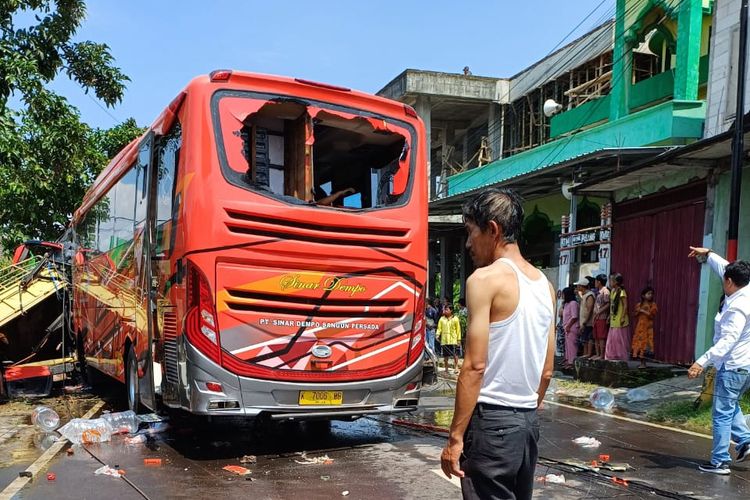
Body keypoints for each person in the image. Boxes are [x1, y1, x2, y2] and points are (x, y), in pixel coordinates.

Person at [440, 188, 555, 500]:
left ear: (493, 229)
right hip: (527, 425)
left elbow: (475, 366)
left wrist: (455, 438)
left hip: (491, 424)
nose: (467, 243)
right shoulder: (545, 286)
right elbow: (546, 371)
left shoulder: (484, 280)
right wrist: (526, 408)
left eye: (470, 232)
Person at [687, 246, 750, 475]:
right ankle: (745, 441)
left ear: (730, 282)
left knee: (722, 413)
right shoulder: (745, 287)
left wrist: (701, 362)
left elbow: (727, 342)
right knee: (729, 405)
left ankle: (719, 462)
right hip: (745, 367)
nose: (723, 281)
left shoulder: (738, 308)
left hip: (733, 366)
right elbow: (725, 267)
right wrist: (709, 253)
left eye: (725, 280)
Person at [605, 273, 630, 361]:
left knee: (619, 339)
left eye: (611, 280)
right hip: (613, 318)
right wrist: (609, 316)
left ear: (615, 282)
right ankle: (612, 356)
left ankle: (620, 357)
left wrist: (623, 317)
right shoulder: (612, 291)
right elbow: (612, 305)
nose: (610, 282)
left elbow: (625, 306)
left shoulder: (622, 292)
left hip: (620, 318)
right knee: (612, 339)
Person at [631, 287, 657, 369]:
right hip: (640, 328)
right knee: (639, 344)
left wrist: (643, 311)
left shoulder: (653, 305)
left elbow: (652, 315)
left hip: (648, 329)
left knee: (646, 345)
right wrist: (639, 311)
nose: (650, 295)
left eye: (651, 294)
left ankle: (644, 363)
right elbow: (635, 314)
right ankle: (641, 362)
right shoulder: (639, 305)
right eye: (648, 293)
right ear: (643, 295)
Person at [437, 304, 461, 374]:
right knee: (445, 355)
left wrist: (458, 339)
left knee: (455, 354)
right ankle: (446, 368)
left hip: (453, 339)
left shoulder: (455, 318)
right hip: (444, 340)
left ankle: (456, 367)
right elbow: (439, 328)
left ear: (451, 310)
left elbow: (458, 330)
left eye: (447, 309)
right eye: (444, 309)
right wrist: (437, 335)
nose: (445, 311)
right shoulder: (442, 319)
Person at [576, 277, 596, 358]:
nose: (577, 287)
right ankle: (585, 353)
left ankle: (588, 353)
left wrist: (585, 322)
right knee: (584, 339)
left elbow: (589, 310)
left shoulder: (589, 295)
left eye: (578, 285)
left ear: (582, 286)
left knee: (588, 338)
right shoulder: (584, 295)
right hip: (584, 321)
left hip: (588, 322)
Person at [591, 274, 610, 360]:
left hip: (602, 317)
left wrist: (599, 311)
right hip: (596, 317)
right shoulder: (598, 291)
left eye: (595, 281)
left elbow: (608, 303)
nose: (594, 283)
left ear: (599, 282)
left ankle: (601, 355)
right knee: (596, 336)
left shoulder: (605, 291)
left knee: (601, 337)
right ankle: (597, 353)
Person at [562, 286, 580, 369]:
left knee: (572, 345)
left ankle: (572, 362)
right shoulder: (566, 304)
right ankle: (568, 360)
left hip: (572, 327)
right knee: (567, 345)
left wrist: (568, 326)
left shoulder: (573, 303)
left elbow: (574, 316)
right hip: (566, 327)